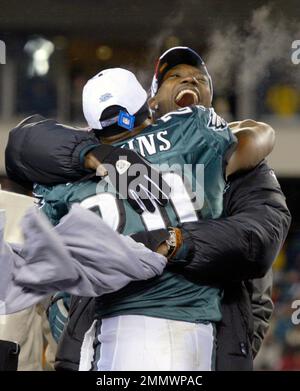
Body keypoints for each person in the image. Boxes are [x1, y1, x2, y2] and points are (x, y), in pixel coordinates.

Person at [5, 65, 274, 371]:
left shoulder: (68, 179)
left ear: (92, 127)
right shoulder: (194, 131)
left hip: (109, 332)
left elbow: (24, 148)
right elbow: (260, 135)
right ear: (146, 104)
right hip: (190, 325)